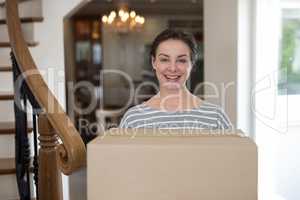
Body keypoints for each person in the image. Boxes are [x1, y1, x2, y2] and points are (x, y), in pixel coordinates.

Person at [119, 29, 233, 130]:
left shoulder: (215, 117)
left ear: (192, 64)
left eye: (181, 60)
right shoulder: (133, 119)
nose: (173, 68)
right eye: (164, 59)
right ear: (154, 62)